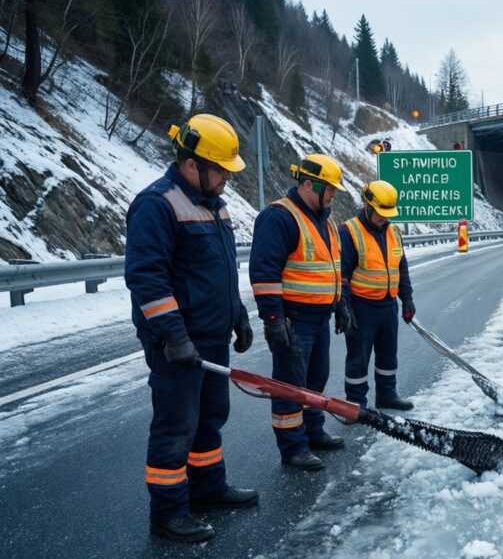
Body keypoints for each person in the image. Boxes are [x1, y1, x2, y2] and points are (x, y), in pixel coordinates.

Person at [125, 114, 258, 543]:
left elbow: (219, 271)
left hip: (212, 336)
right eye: (220, 169)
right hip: (178, 344)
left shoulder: (214, 205)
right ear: (190, 164)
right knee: (176, 425)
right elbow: (147, 277)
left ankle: (207, 489)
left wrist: (236, 312)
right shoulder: (157, 204)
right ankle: (167, 513)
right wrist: (173, 335)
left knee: (209, 419)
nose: (226, 179)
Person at [249, 154, 348, 472]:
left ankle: (313, 432)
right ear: (309, 184)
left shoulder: (326, 219)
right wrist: (274, 319)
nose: (334, 195)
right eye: (330, 189)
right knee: (290, 387)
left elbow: (333, 267)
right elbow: (264, 273)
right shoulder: (279, 217)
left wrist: (340, 304)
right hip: (294, 321)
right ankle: (293, 447)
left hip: (319, 319)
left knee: (315, 380)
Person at [340, 180, 416, 410]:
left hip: (388, 305)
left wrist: (407, 298)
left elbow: (400, 268)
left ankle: (387, 394)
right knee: (358, 358)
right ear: (367, 205)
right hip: (362, 307)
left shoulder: (393, 231)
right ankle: (356, 403)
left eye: (388, 213)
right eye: (381, 213)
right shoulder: (350, 231)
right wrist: (344, 306)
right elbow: (342, 275)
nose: (385, 218)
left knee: (388, 355)